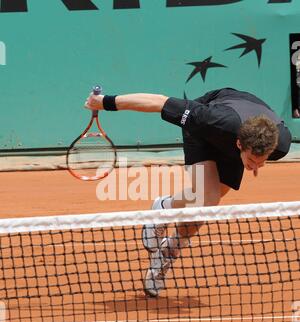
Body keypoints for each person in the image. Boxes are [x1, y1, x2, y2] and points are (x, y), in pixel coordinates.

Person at [85, 87, 292, 297]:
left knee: (208, 200)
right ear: (240, 144)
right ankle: (163, 215)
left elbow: (255, 154)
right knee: (207, 200)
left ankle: (168, 231)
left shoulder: (279, 145)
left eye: (261, 162)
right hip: (205, 132)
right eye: (252, 161)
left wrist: (251, 161)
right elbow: (158, 101)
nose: (255, 167)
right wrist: (104, 102)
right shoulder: (209, 119)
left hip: (235, 138)